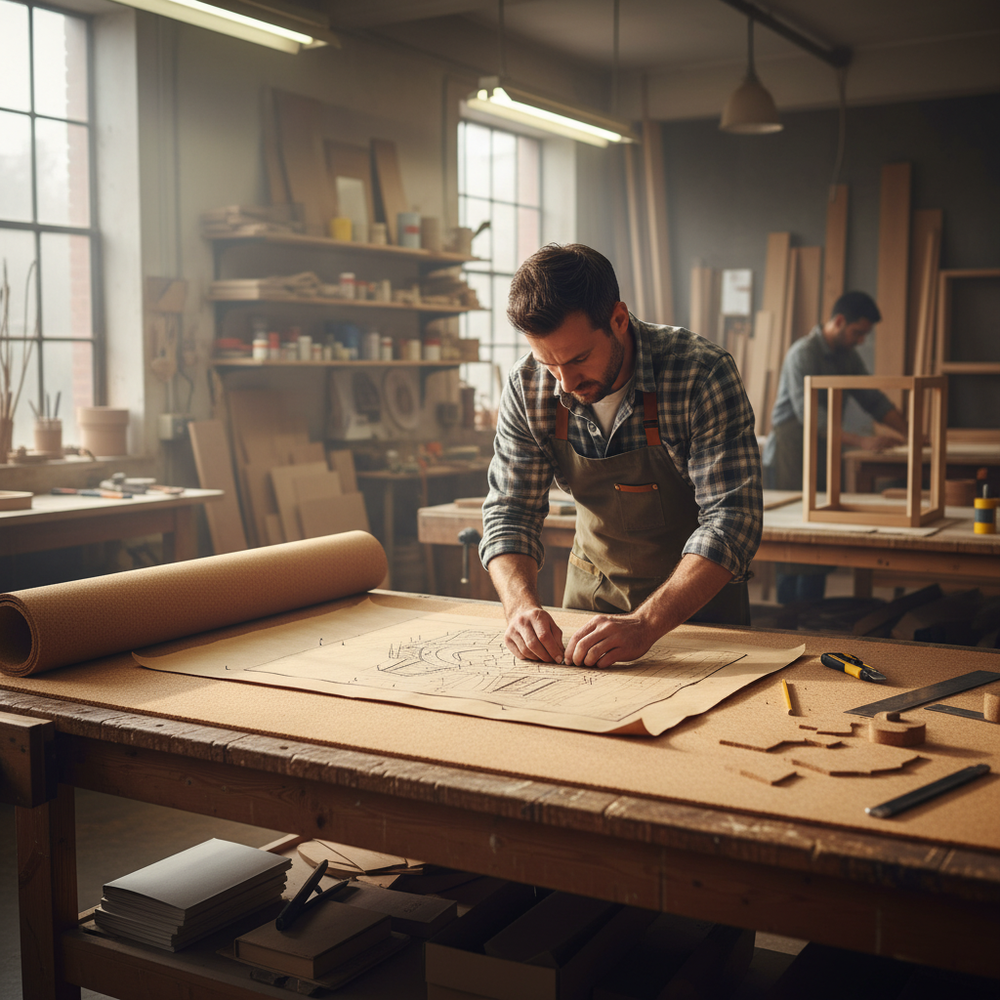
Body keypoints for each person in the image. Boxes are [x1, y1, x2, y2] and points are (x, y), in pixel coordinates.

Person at [479, 244, 762, 669]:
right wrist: (519, 607)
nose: (566, 383)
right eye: (549, 364)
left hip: (700, 618)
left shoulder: (699, 373)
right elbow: (509, 512)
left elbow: (732, 520)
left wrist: (645, 624)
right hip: (588, 609)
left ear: (618, 319)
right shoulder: (528, 385)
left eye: (578, 359)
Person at [762, 290, 908, 604]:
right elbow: (812, 418)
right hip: (792, 448)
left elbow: (873, 399)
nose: (860, 341)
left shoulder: (846, 356)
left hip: (823, 447)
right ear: (839, 322)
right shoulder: (804, 353)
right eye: (858, 333)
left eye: (864, 335)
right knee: (794, 538)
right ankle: (788, 617)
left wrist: (912, 434)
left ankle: (813, 613)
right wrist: (863, 441)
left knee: (822, 531)